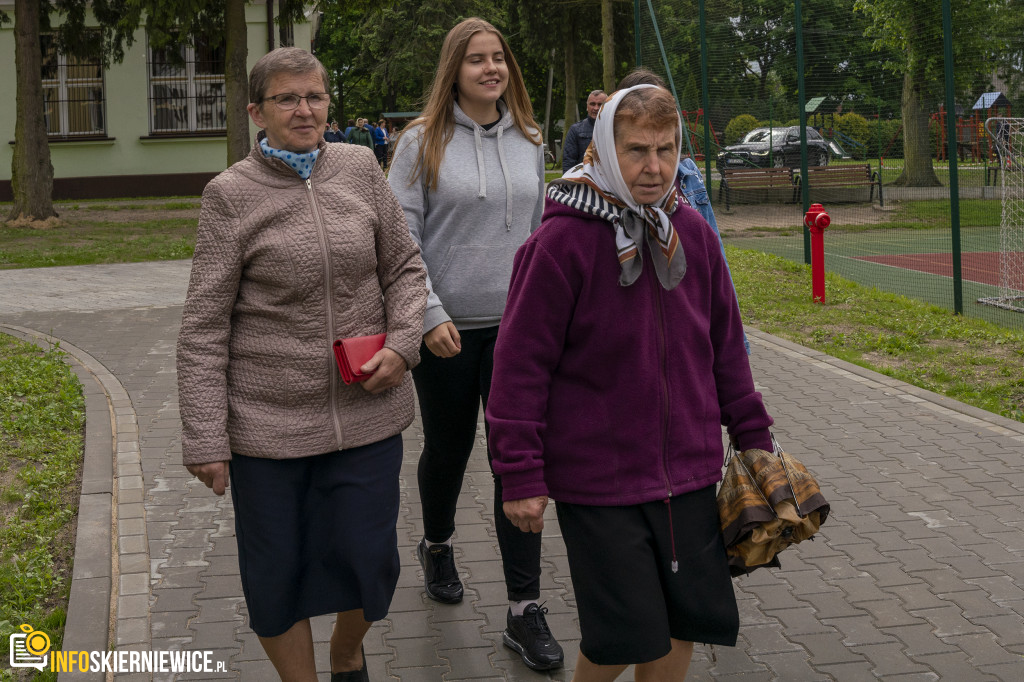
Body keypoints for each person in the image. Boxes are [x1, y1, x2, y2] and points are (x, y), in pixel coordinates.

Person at [487, 85, 774, 681]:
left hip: (690, 472)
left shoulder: (690, 232)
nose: (654, 167)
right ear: (603, 150)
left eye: (667, 150)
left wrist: (755, 440)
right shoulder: (560, 243)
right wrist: (520, 473)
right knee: (623, 635)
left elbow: (725, 344)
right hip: (601, 480)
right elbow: (519, 368)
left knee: (681, 624)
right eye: (638, 150)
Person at [177, 47, 427, 682]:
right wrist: (206, 436)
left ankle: (348, 651)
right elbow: (204, 327)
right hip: (268, 429)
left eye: (315, 96)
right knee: (276, 575)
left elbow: (403, 266)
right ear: (258, 112)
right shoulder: (229, 196)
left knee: (372, 561)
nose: (305, 109)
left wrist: (403, 345)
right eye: (288, 99)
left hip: (366, 412)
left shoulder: (360, 165)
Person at [387, 17, 564, 672]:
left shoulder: (529, 139)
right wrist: (428, 313)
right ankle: (437, 543)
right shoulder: (419, 144)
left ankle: (524, 609)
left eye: (499, 59)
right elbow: (399, 242)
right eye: (477, 60)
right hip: (448, 333)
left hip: (521, 330)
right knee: (450, 448)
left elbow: (545, 237)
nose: (491, 69)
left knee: (518, 459)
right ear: (454, 71)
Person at [617, 67, 749, 354]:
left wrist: (735, 340)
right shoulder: (607, 197)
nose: (653, 167)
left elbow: (716, 258)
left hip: (691, 313)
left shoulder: (687, 175)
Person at [561, 89, 606, 171]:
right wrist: (568, 182)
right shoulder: (575, 130)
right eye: (592, 104)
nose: (596, 108)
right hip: (583, 179)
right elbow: (569, 161)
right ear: (587, 106)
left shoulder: (615, 129)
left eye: (600, 104)